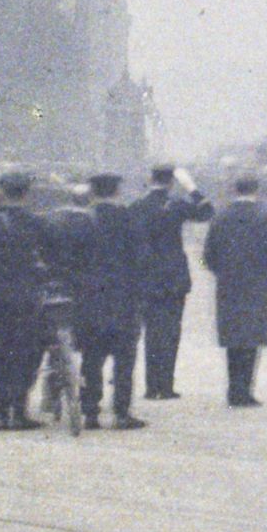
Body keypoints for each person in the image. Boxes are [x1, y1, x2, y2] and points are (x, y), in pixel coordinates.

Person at [202, 174, 267, 408]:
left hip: (228, 285)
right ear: (257, 190)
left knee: (233, 338)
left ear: (234, 190)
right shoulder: (266, 217)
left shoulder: (221, 217)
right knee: (251, 337)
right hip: (257, 284)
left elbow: (208, 256)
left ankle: (233, 389)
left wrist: (223, 272)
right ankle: (245, 390)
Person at [132, 164, 214, 401]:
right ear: (171, 182)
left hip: (147, 276)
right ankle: (165, 385)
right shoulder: (176, 205)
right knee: (170, 331)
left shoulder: (138, 206)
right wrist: (191, 187)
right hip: (173, 275)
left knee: (151, 332)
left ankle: (151, 386)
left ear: (150, 179)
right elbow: (207, 211)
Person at [0, 170, 51, 431]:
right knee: (24, 353)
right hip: (26, 296)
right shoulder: (36, 223)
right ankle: (18, 410)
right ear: (26, 193)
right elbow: (51, 256)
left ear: (2, 192)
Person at [77, 173, 145, 429]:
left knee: (92, 357)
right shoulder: (128, 218)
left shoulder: (84, 220)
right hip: (124, 298)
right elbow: (141, 258)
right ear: (117, 191)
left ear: (92, 192)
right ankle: (121, 411)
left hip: (91, 298)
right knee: (124, 358)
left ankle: (90, 411)